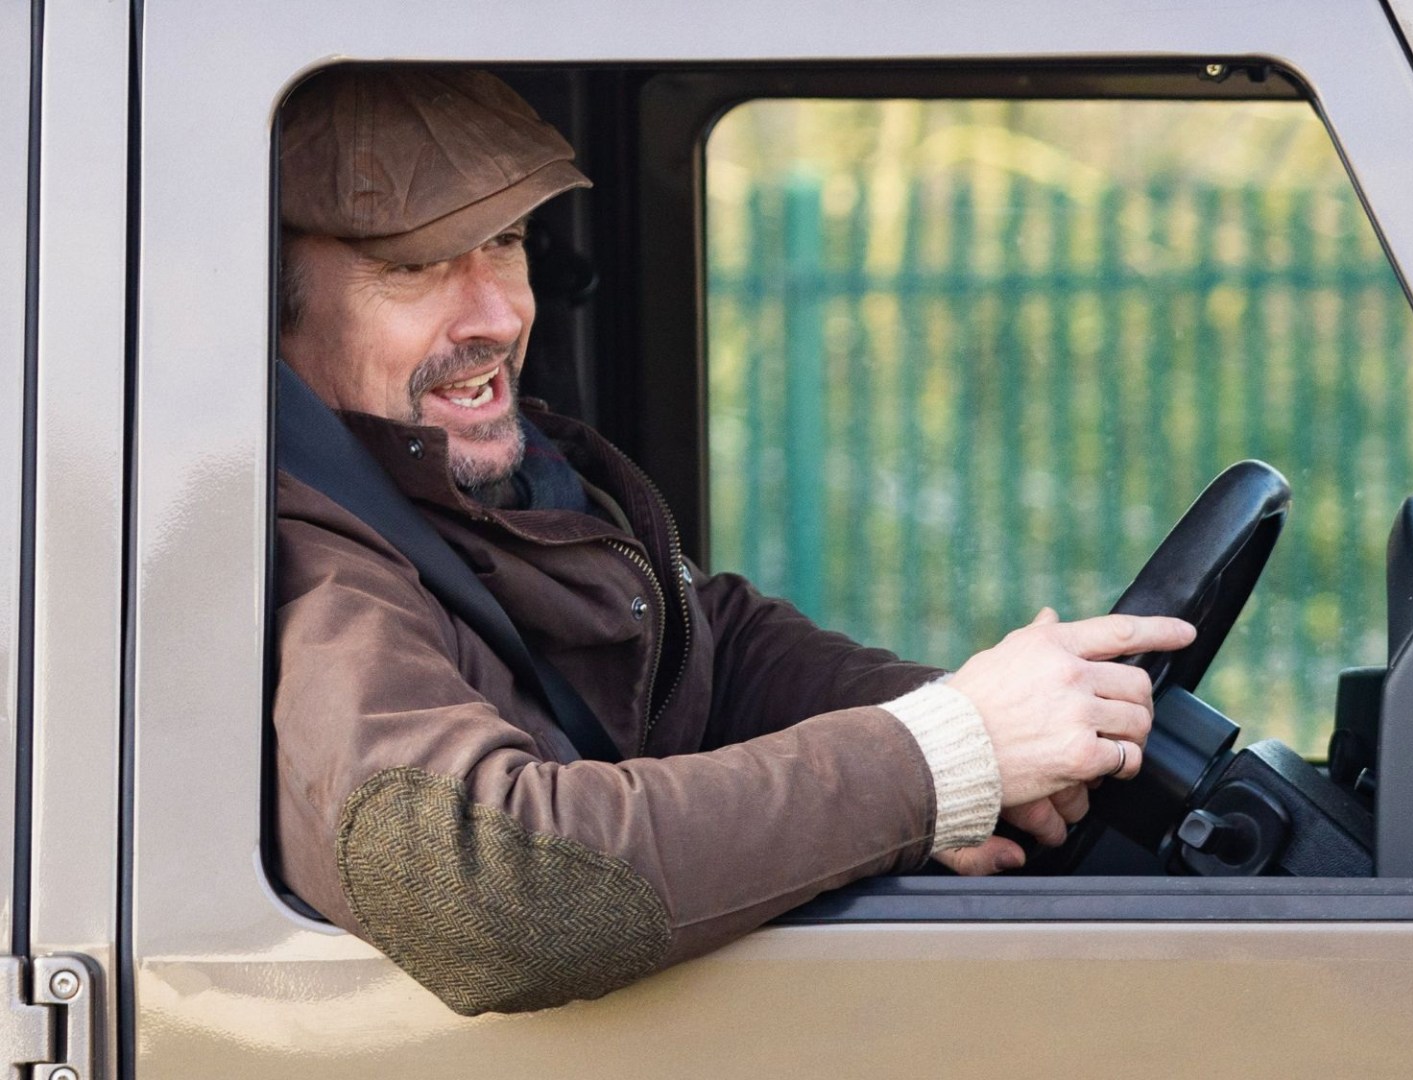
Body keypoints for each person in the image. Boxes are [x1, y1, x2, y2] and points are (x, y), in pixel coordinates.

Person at [270, 66, 1194, 1017]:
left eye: (504, 243)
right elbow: (491, 893)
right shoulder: (307, 564)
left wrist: (987, 746)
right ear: (280, 298)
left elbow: (707, 647)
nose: (500, 316)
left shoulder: (498, 481)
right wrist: (937, 757)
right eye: (417, 267)